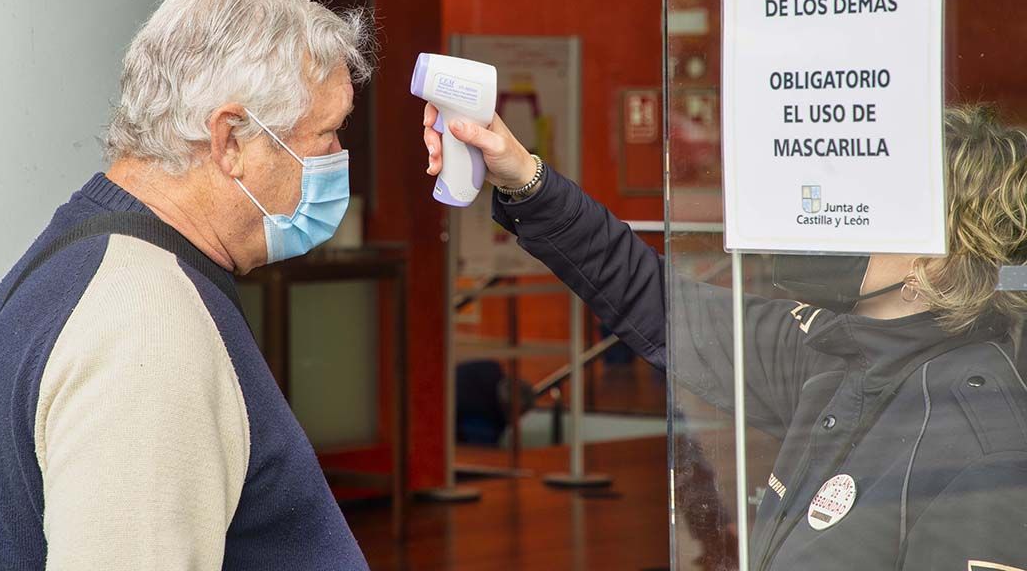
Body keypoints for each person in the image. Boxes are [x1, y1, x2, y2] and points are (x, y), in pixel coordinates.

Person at [423, 102, 1027, 570]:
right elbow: (655, 299)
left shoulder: (985, 443)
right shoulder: (830, 350)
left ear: (945, 258)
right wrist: (522, 175)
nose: (842, 214)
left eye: (874, 206)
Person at [0, 0, 373, 570]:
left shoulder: (86, 261)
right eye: (327, 133)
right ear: (230, 140)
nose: (336, 160)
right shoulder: (145, 319)